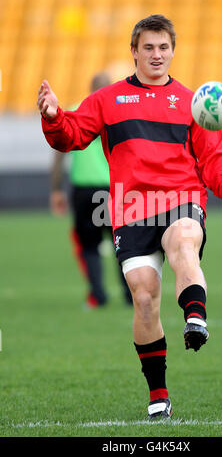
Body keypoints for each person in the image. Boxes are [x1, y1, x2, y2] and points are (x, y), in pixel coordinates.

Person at [37, 14, 222, 420]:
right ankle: (159, 394)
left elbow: (214, 157)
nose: (156, 54)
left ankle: (195, 318)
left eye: (163, 47)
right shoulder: (107, 100)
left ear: (172, 51)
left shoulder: (192, 101)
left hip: (182, 196)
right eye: (148, 47)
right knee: (144, 296)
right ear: (133, 52)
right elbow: (72, 135)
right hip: (131, 208)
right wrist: (51, 116)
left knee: (185, 241)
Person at [50, 73, 133, 308]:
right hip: (115, 189)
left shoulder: (75, 111)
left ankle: (98, 295)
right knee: (123, 243)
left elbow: (58, 153)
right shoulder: (121, 114)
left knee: (89, 246)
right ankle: (130, 295)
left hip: (84, 191)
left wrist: (56, 189)